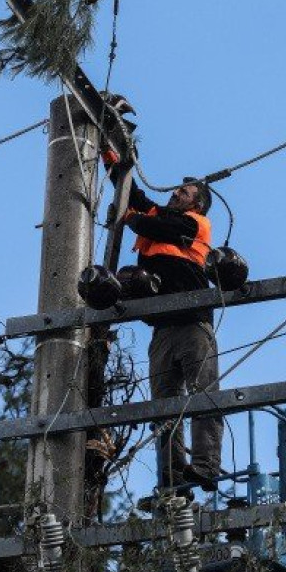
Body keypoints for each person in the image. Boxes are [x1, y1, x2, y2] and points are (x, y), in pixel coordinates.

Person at [118, 177, 224, 493]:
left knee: (203, 392)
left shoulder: (195, 224)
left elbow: (157, 229)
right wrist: (115, 158)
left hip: (193, 323)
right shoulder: (160, 215)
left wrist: (131, 219)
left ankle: (205, 467)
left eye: (185, 192)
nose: (176, 193)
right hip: (163, 328)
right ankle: (172, 475)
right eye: (177, 189)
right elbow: (133, 194)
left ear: (198, 203)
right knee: (164, 407)